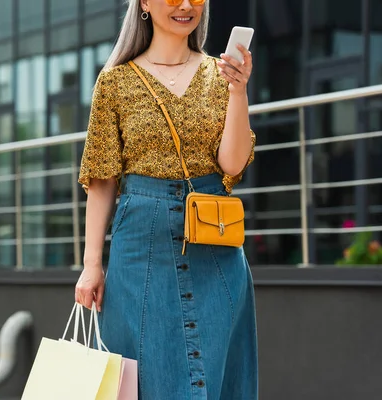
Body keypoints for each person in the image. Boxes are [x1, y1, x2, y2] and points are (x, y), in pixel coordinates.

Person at [75, 0, 258, 398]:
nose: (186, 6)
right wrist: (91, 265)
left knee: (215, 374)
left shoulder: (219, 75)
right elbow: (102, 179)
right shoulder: (116, 82)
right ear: (144, 3)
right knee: (144, 376)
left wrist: (239, 91)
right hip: (142, 244)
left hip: (215, 244)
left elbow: (232, 163)